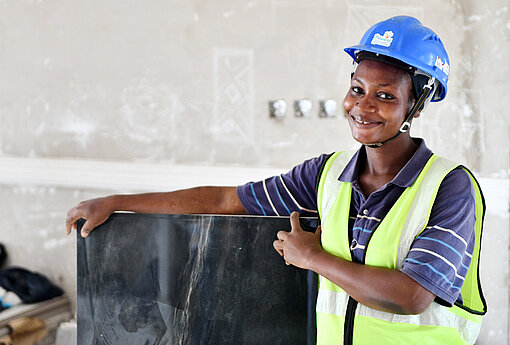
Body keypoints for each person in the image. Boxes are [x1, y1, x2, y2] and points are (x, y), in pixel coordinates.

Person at [66, 16, 486, 345]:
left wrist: (313, 257)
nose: (362, 106)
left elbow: (412, 296)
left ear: (417, 104)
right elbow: (226, 201)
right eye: (356, 89)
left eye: (386, 96)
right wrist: (117, 201)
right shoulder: (328, 173)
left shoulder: (449, 186)